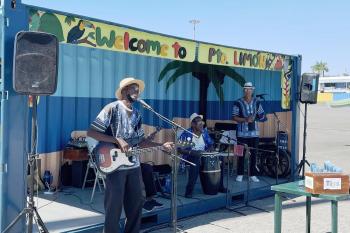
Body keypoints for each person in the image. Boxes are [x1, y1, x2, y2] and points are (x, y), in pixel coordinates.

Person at [87, 77, 173, 233]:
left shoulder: (138, 114)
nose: (137, 91)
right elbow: (92, 132)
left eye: (138, 89)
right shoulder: (111, 108)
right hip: (114, 166)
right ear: (124, 90)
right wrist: (117, 139)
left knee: (136, 205)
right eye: (133, 88)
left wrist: (161, 146)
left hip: (134, 166)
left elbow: (140, 142)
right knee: (114, 208)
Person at [178, 113, 227, 198]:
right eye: (199, 123)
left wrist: (210, 149)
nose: (201, 125)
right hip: (191, 156)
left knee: (221, 159)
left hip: (204, 156)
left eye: (202, 123)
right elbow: (179, 149)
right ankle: (189, 191)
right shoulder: (187, 133)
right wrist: (193, 153)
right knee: (195, 161)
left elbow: (210, 144)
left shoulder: (204, 132)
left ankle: (220, 187)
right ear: (193, 124)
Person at [232, 82, 266, 182]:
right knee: (240, 154)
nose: (247, 91)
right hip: (241, 134)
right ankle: (240, 174)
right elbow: (234, 117)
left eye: (249, 89)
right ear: (243, 90)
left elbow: (262, 115)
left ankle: (252, 175)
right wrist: (245, 119)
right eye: (246, 89)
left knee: (254, 154)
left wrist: (260, 116)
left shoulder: (257, 102)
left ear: (252, 90)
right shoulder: (237, 102)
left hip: (254, 134)